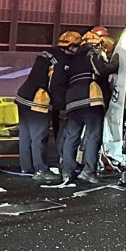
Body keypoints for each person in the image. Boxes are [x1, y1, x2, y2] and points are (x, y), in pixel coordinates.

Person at [15, 31, 81, 183]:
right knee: (39, 137)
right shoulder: (62, 62)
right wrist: (62, 108)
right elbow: (56, 86)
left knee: (26, 135)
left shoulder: (47, 53)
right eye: (77, 46)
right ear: (71, 46)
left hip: (23, 97)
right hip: (38, 101)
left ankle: (26, 167)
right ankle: (41, 170)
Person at [61, 28, 116, 184]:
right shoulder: (92, 53)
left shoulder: (72, 59)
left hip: (71, 101)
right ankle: (88, 171)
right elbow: (101, 70)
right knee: (93, 135)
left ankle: (67, 171)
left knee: (72, 136)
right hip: (89, 98)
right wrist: (114, 64)